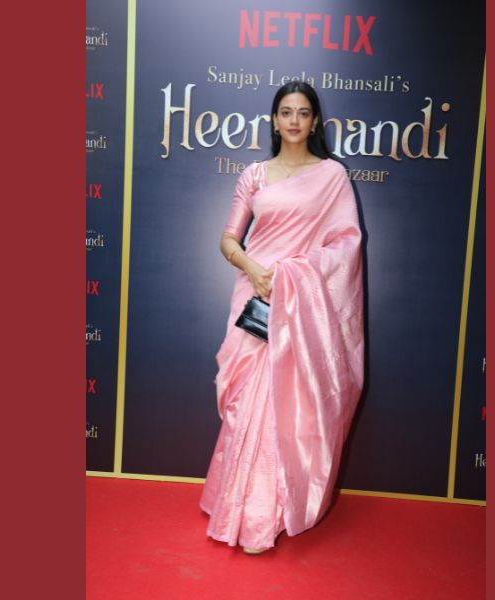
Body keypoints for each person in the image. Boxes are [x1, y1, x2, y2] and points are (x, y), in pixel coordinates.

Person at [199, 82, 365, 555]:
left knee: (283, 407)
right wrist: (255, 270)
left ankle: (263, 517)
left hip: (299, 307)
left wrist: (293, 275)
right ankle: (232, 503)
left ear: (314, 122)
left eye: (303, 113)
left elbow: (346, 244)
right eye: (286, 112)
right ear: (274, 120)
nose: (294, 120)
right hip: (255, 298)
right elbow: (228, 239)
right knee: (244, 403)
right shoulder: (255, 174)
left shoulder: (332, 176)